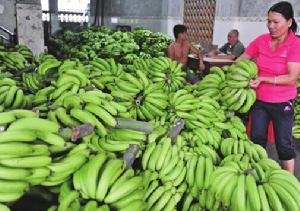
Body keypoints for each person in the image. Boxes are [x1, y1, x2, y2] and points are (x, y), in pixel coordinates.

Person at [239, 1, 300, 174]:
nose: (271, 26)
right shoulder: (262, 40)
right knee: (257, 139)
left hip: (283, 102)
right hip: (260, 100)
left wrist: (263, 78)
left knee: (284, 144)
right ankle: (256, 173)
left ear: (288, 22)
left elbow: (292, 77)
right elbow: (243, 59)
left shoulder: (295, 44)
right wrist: (235, 74)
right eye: (269, 21)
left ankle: (289, 182)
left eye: (276, 22)